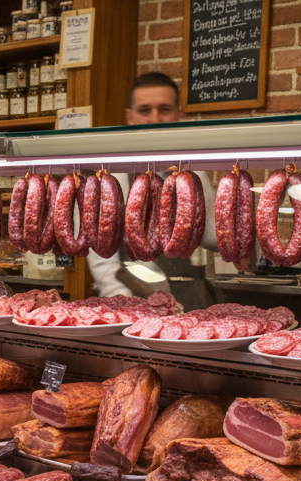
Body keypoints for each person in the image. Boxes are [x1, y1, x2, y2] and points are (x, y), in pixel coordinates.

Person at [88, 73, 215, 307]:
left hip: (191, 300)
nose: (154, 118)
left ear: (178, 114)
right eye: (145, 110)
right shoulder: (109, 175)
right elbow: (102, 261)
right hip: (131, 300)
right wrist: (133, 309)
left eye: (164, 109)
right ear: (130, 116)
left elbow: (211, 235)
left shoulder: (193, 172)